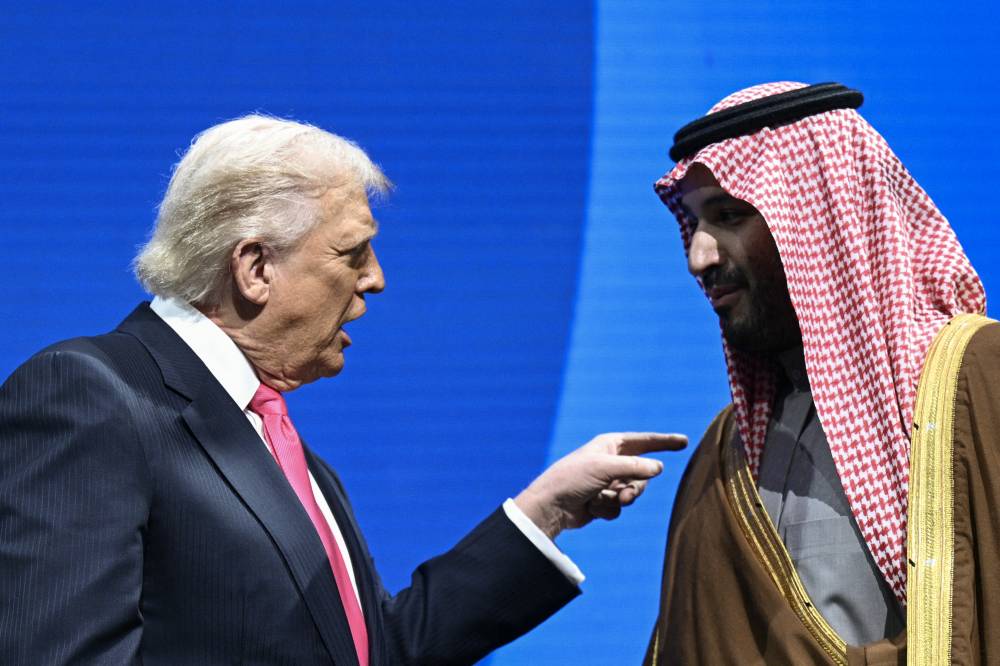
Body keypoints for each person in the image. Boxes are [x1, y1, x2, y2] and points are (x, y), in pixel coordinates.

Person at [0, 115, 686, 666]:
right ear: (256, 266)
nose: (376, 279)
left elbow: (375, 651)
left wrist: (545, 511)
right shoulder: (90, 395)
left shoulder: (287, 453)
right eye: (352, 252)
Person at [642, 82, 999, 665]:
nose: (698, 258)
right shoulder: (721, 452)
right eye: (694, 226)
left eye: (728, 217)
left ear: (824, 219)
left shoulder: (979, 382)